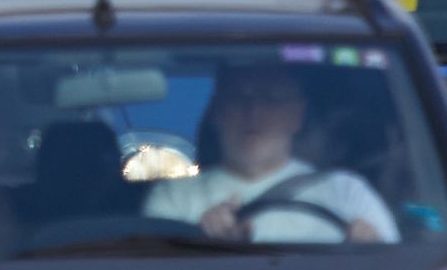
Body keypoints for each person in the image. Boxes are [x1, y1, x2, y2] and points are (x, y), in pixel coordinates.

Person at [144, 62, 395, 245]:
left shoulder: (346, 192)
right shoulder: (174, 198)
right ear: (217, 112)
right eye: (239, 97)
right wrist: (201, 244)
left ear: (296, 116)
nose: (254, 111)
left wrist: (372, 247)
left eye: (272, 99)